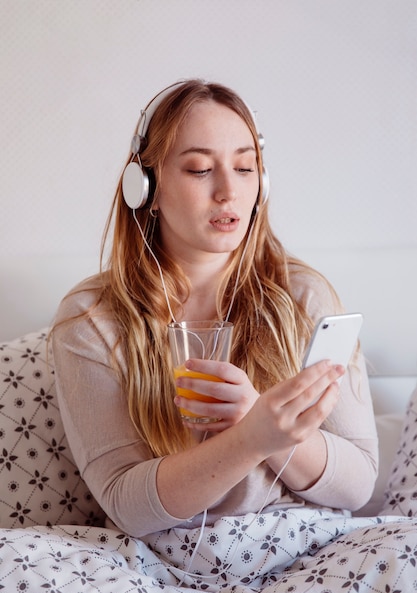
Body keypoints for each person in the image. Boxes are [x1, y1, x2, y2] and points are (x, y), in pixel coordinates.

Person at [51, 78, 378, 541]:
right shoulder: (90, 320)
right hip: (156, 569)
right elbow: (127, 505)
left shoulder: (304, 297)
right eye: (201, 170)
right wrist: (250, 440)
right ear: (146, 187)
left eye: (245, 168)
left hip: (303, 552)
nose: (228, 191)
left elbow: (359, 482)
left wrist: (272, 431)